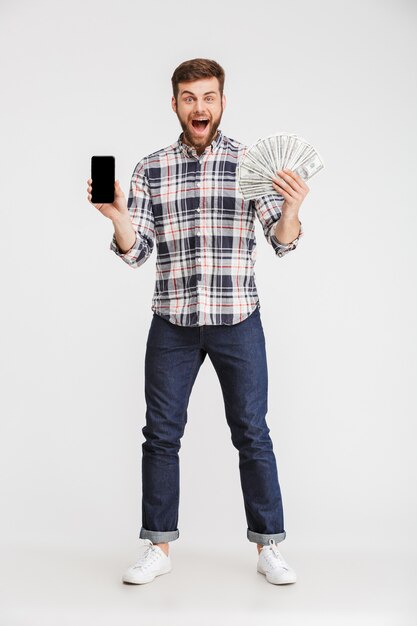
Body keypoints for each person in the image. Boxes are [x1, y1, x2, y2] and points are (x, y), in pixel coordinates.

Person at [86, 58, 309, 586]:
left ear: (222, 102)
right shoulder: (151, 168)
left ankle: (269, 546)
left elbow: (283, 242)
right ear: (175, 105)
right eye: (189, 98)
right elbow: (136, 252)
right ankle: (157, 548)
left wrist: (293, 208)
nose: (199, 107)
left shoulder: (253, 163)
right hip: (173, 323)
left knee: (253, 433)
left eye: (208, 97)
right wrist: (118, 216)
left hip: (238, 318)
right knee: (161, 435)